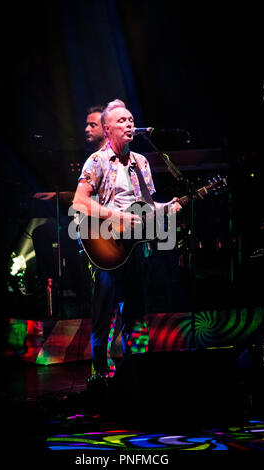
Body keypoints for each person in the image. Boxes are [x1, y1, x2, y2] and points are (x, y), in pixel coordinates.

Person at [73, 99, 182, 385]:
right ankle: (101, 377)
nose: (129, 124)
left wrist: (168, 207)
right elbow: (80, 203)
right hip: (105, 245)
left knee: (135, 315)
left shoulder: (141, 163)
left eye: (131, 120)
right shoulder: (96, 161)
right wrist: (117, 216)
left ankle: (138, 375)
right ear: (107, 129)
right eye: (122, 121)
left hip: (133, 247)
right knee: (104, 316)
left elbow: (146, 207)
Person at [31, 106, 108, 308]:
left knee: (66, 237)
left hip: (103, 223)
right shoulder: (88, 157)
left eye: (93, 125)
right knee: (43, 233)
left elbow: (97, 196)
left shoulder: (109, 157)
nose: (86, 129)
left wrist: (59, 196)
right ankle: (50, 287)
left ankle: (80, 293)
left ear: (106, 128)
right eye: (86, 124)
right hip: (81, 220)